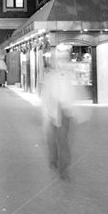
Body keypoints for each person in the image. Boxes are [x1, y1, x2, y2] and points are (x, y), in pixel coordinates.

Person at [40, 50, 77, 179]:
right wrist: (46, 113)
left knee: (63, 141)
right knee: (52, 140)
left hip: (65, 113)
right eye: (60, 60)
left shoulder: (68, 76)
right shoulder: (50, 77)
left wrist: (72, 110)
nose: (62, 63)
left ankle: (64, 168)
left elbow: (72, 94)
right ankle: (53, 160)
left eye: (64, 60)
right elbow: (46, 96)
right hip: (53, 112)